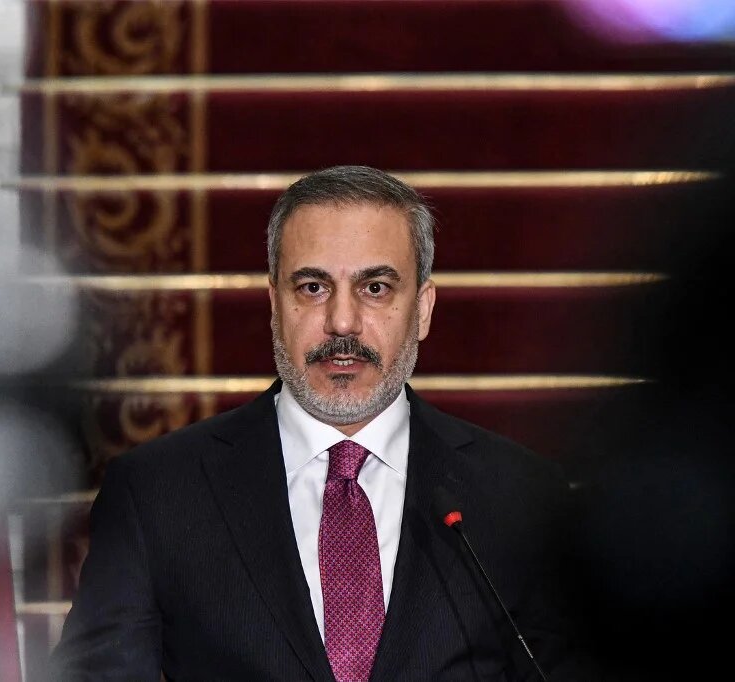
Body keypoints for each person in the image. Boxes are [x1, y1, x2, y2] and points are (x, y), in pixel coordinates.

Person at [50, 165, 594, 681]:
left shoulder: (520, 498)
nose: (341, 321)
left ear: (423, 309)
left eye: (375, 288)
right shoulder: (158, 494)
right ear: (273, 305)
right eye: (312, 287)